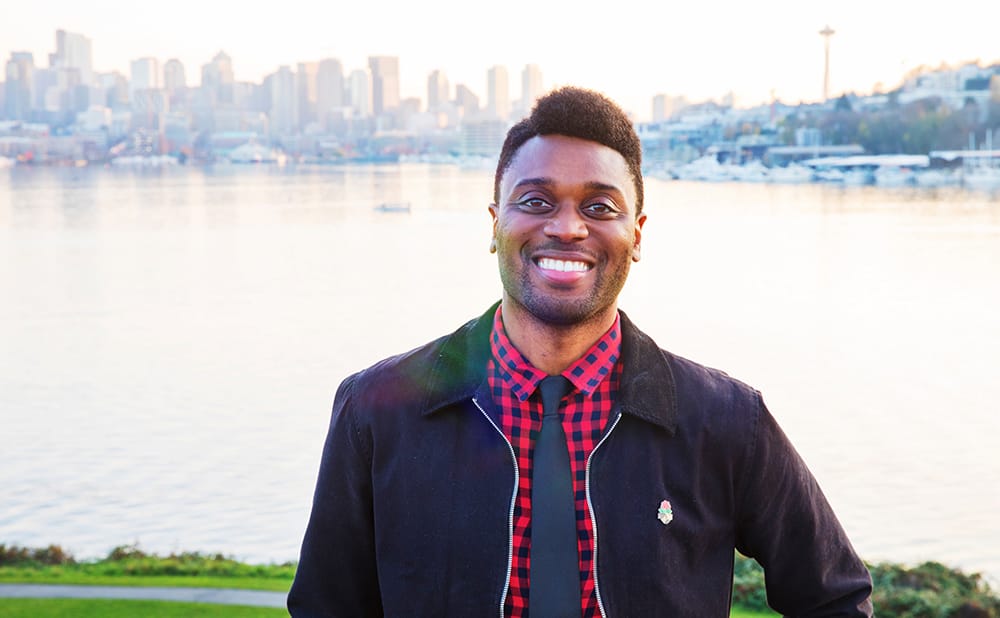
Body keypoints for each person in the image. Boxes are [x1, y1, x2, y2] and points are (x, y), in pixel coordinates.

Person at [288, 86, 873, 617]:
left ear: (637, 235)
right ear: (495, 224)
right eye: (537, 201)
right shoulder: (376, 409)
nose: (567, 227)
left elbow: (836, 599)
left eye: (599, 207)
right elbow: (325, 608)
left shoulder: (726, 421)